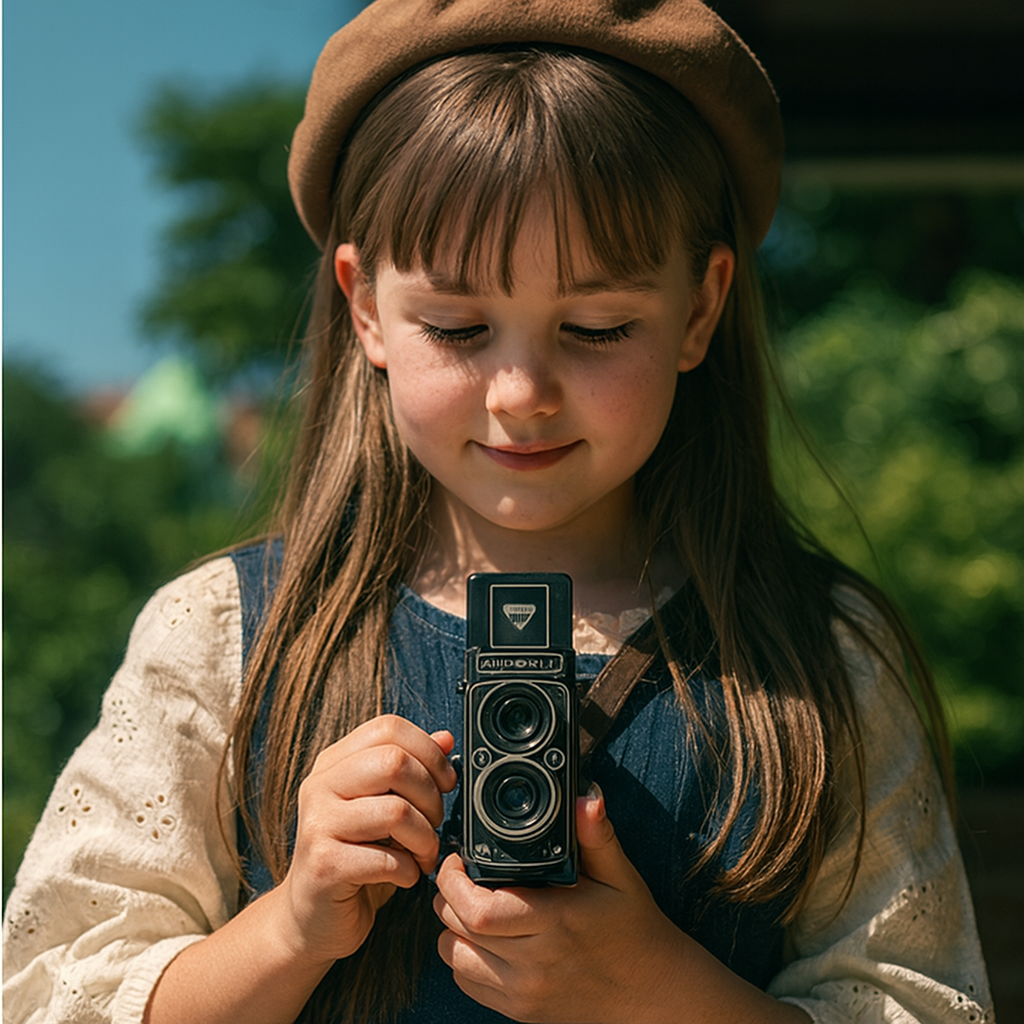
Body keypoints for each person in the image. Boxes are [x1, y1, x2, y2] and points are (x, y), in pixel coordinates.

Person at [2, 1, 995, 1022]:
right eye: (459, 325)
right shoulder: (222, 639)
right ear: (365, 307)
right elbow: (51, 991)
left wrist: (655, 988)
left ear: (699, 308)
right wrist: (289, 926)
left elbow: (922, 1001)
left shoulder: (824, 658)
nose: (521, 391)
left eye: (597, 326)